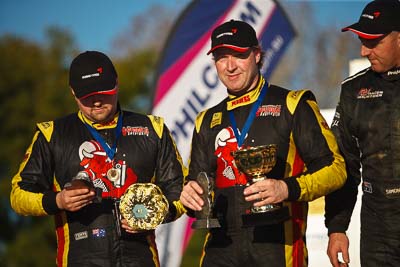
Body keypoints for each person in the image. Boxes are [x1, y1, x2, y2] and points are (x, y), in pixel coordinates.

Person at [179, 19, 347, 267]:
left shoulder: (292, 104)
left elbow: (336, 169)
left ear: (257, 55)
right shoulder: (206, 120)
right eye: (221, 57)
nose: (230, 66)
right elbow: (198, 187)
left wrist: (285, 188)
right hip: (220, 249)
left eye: (238, 55)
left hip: (278, 247)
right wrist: (190, 198)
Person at [10, 50, 186, 267]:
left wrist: (156, 213)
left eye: (103, 92)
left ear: (117, 83)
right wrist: (58, 201)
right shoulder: (51, 134)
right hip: (79, 259)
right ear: (73, 92)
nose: (96, 101)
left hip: (141, 259)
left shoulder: (153, 129)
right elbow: (18, 194)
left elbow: (180, 190)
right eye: (87, 96)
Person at [324, 1, 400, 266]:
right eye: (361, 40)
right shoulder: (353, 91)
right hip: (377, 226)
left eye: (373, 42)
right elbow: (344, 165)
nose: (363, 51)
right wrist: (336, 228)